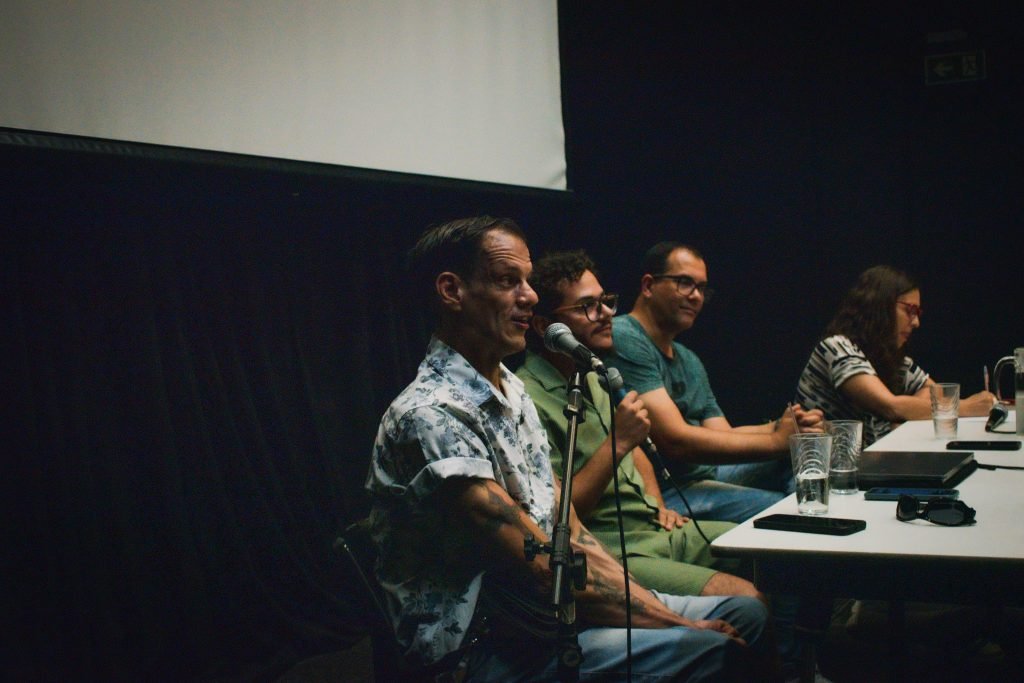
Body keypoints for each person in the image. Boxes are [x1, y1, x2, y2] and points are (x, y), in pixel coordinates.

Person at [365, 217, 770, 681]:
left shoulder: (510, 392)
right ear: (452, 291)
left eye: (527, 280)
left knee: (746, 615)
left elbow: (570, 530)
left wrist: (643, 599)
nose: (530, 295)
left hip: (543, 616)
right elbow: (543, 568)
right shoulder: (430, 415)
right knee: (713, 648)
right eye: (507, 281)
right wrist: (678, 622)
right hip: (488, 645)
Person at [517, 249, 763, 603]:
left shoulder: (593, 377)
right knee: (745, 600)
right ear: (544, 326)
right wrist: (617, 442)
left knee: (767, 552)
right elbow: (559, 516)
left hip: (653, 527)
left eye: (606, 302)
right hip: (612, 548)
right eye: (588, 306)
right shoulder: (528, 398)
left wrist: (657, 502)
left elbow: (637, 450)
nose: (605, 315)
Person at [605, 242, 823, 524]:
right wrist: (776, 441)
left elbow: (723, 434)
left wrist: (783, 429)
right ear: (648, 285)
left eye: (701, 288)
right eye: (685, 283)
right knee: (784, 509)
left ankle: (819, 524)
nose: (696, 296)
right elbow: (676, 441)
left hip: (703, 474)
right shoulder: (624, 336)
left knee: (800, 453)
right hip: (669, 489)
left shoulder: (688, 358)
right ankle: (809, 532)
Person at [795, 265, 996, 446]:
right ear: (879, 305)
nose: (916, 322)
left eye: (918, 313)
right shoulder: (835, 347)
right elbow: (891, 406)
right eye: (910, 310)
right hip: (817, 474)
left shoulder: (891, 358)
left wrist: (904, 416)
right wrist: (969, 407)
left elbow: (935, 392)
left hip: (866, 467)